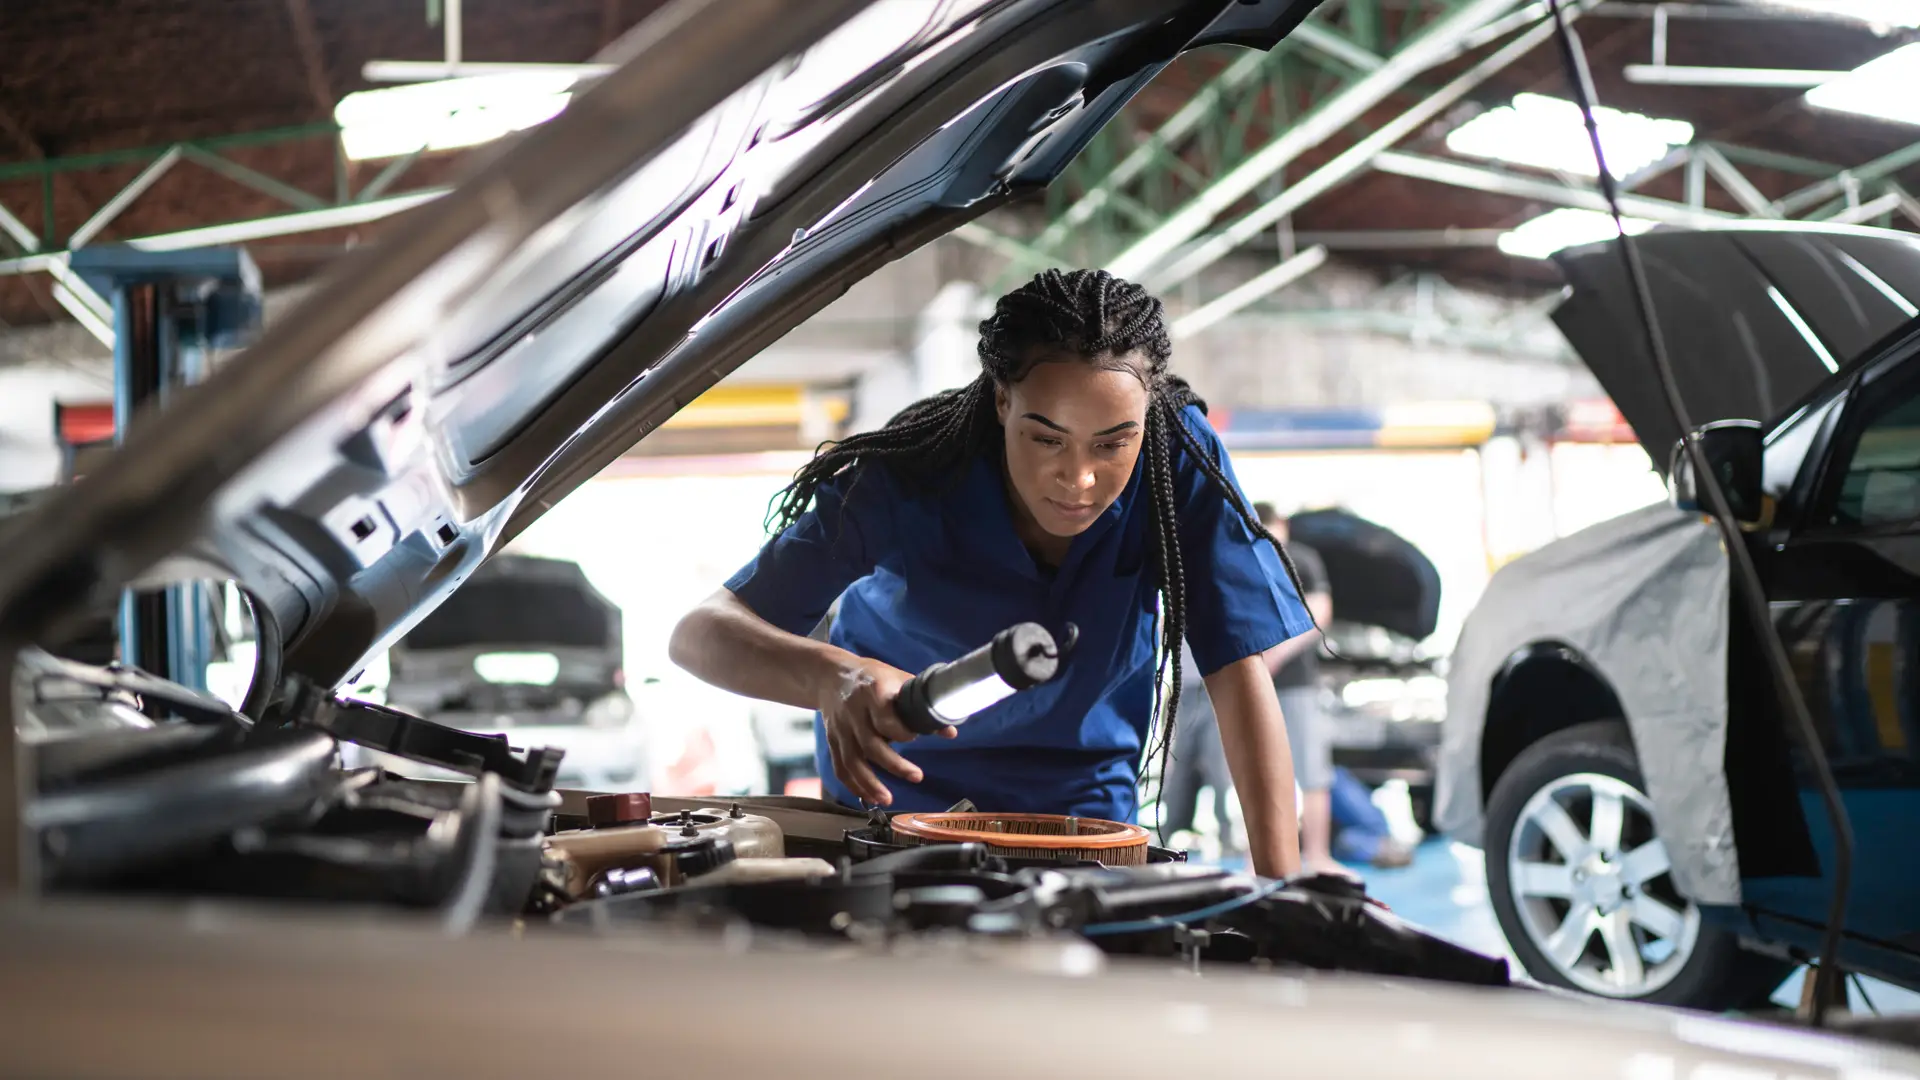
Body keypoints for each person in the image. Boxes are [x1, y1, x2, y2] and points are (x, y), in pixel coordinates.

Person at [669, 269, 1317, 878]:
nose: (1080, 478)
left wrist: (1281, 895)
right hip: (896, 810)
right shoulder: (912, 474)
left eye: (1112, 442)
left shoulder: (1175, 458)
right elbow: (700, 634)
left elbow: (1235, 670)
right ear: (1003, 401)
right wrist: (832, 678)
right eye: (1046, 438)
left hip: (1082, 821)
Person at [1254, 503, 1338, 874]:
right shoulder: (1248, 558)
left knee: (1311, 773)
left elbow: (1319, 613)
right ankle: (1260, 857)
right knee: (1263, 773)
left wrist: (1276, 654)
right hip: (1261, 684)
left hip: (1296, 683)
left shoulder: (1301, 559)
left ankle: (1317, 856)